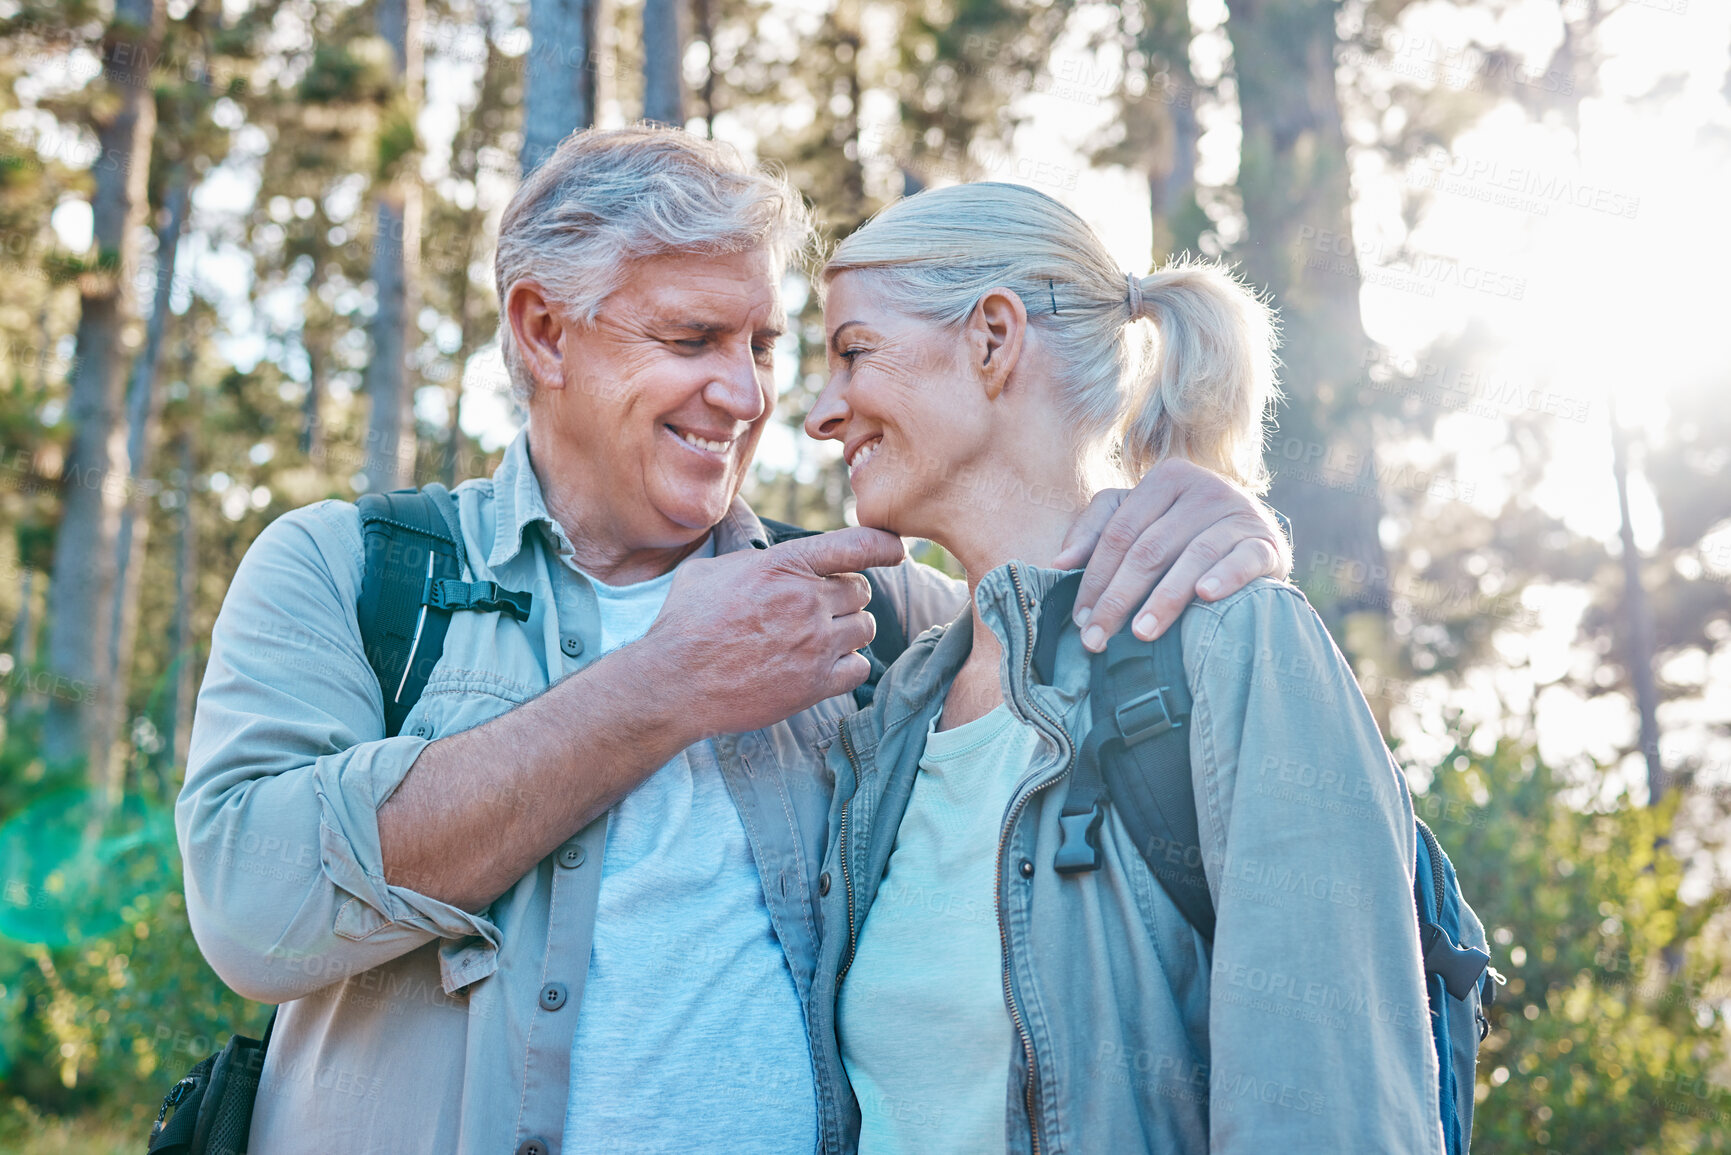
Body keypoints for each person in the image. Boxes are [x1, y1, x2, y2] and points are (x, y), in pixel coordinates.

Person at [176, 126, 1293, 1155]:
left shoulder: (883, 611)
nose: (747, 392)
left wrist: (1210, 521)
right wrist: (665, 686)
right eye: (691, 337)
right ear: (543, 330)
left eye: (761, 343)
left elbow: (1068, 629)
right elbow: (253, 913)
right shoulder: (351, 570)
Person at [803, 181, 1443, 1155]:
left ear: (992, 340)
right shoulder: (890, 722)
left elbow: (1335, 1116)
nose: (820, 410)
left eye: (853, 352)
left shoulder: (1234, 644)